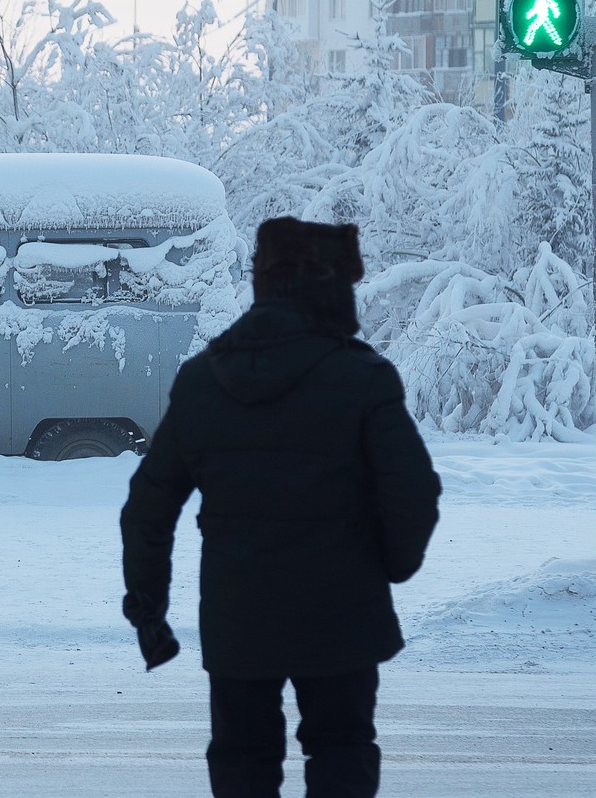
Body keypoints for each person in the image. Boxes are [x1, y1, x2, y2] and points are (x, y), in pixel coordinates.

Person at [120, 216, 441, 798]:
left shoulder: (202, 381)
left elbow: (148, 506)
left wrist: (148, 607)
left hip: (238, 612)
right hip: (343, 612)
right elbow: (414, 490)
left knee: (243, 760)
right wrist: (388, 566)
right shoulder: (363, 378)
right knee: (341, 748)